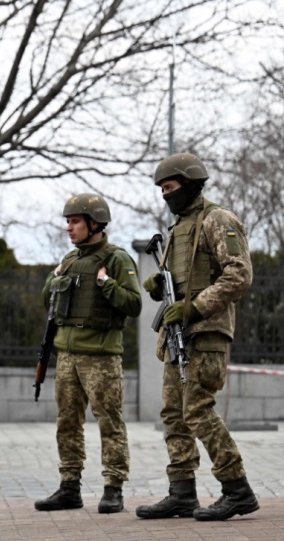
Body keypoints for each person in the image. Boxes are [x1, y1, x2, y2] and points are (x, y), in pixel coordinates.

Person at [135, 152, 259, 522]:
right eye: (161, 190)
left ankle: (237, 489)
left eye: (170, 188)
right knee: (174, 416)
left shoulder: (217, 220)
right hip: (178, 335)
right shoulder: (177, 229)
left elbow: (239, 274)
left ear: (189, 184)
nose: (165, 196)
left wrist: (195, 307)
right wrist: (160, 287)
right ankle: (182, 493)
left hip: (205, 334)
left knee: (197, 411)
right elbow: (180, 284)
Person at [35, 194, 141, 514]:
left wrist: (107, 285)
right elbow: (48, 304)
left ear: (94, 224)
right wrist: (53, 278)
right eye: (68, 221)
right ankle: (69, 487)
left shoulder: (117, 259)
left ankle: (113, 488)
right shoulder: (68, 260)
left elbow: (134, 304)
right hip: (67, 354)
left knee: (109, 421)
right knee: (67, 422)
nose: (69, 227)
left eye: (75, 221)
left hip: (101, 356)